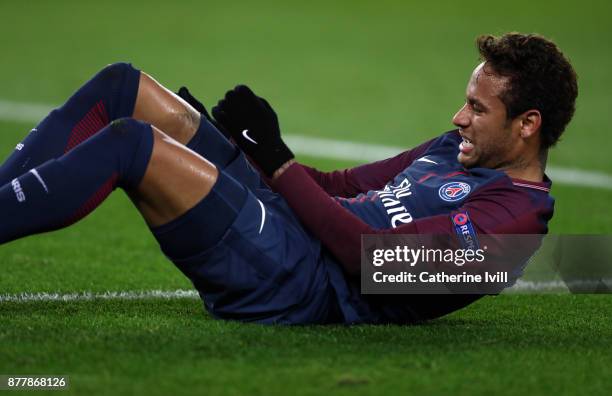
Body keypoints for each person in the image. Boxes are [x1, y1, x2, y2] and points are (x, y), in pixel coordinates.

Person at [0, 32, 578, 324]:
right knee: (122, 85)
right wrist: (248, 148)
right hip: (289, 229)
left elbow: (366, 259)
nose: (458, 118)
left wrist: (275, 161)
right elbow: (333, 188)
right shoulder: (456, 148)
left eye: (478, 109)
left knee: (132, 144)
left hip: (301, 284)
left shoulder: (513, 227)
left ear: (528, 125)